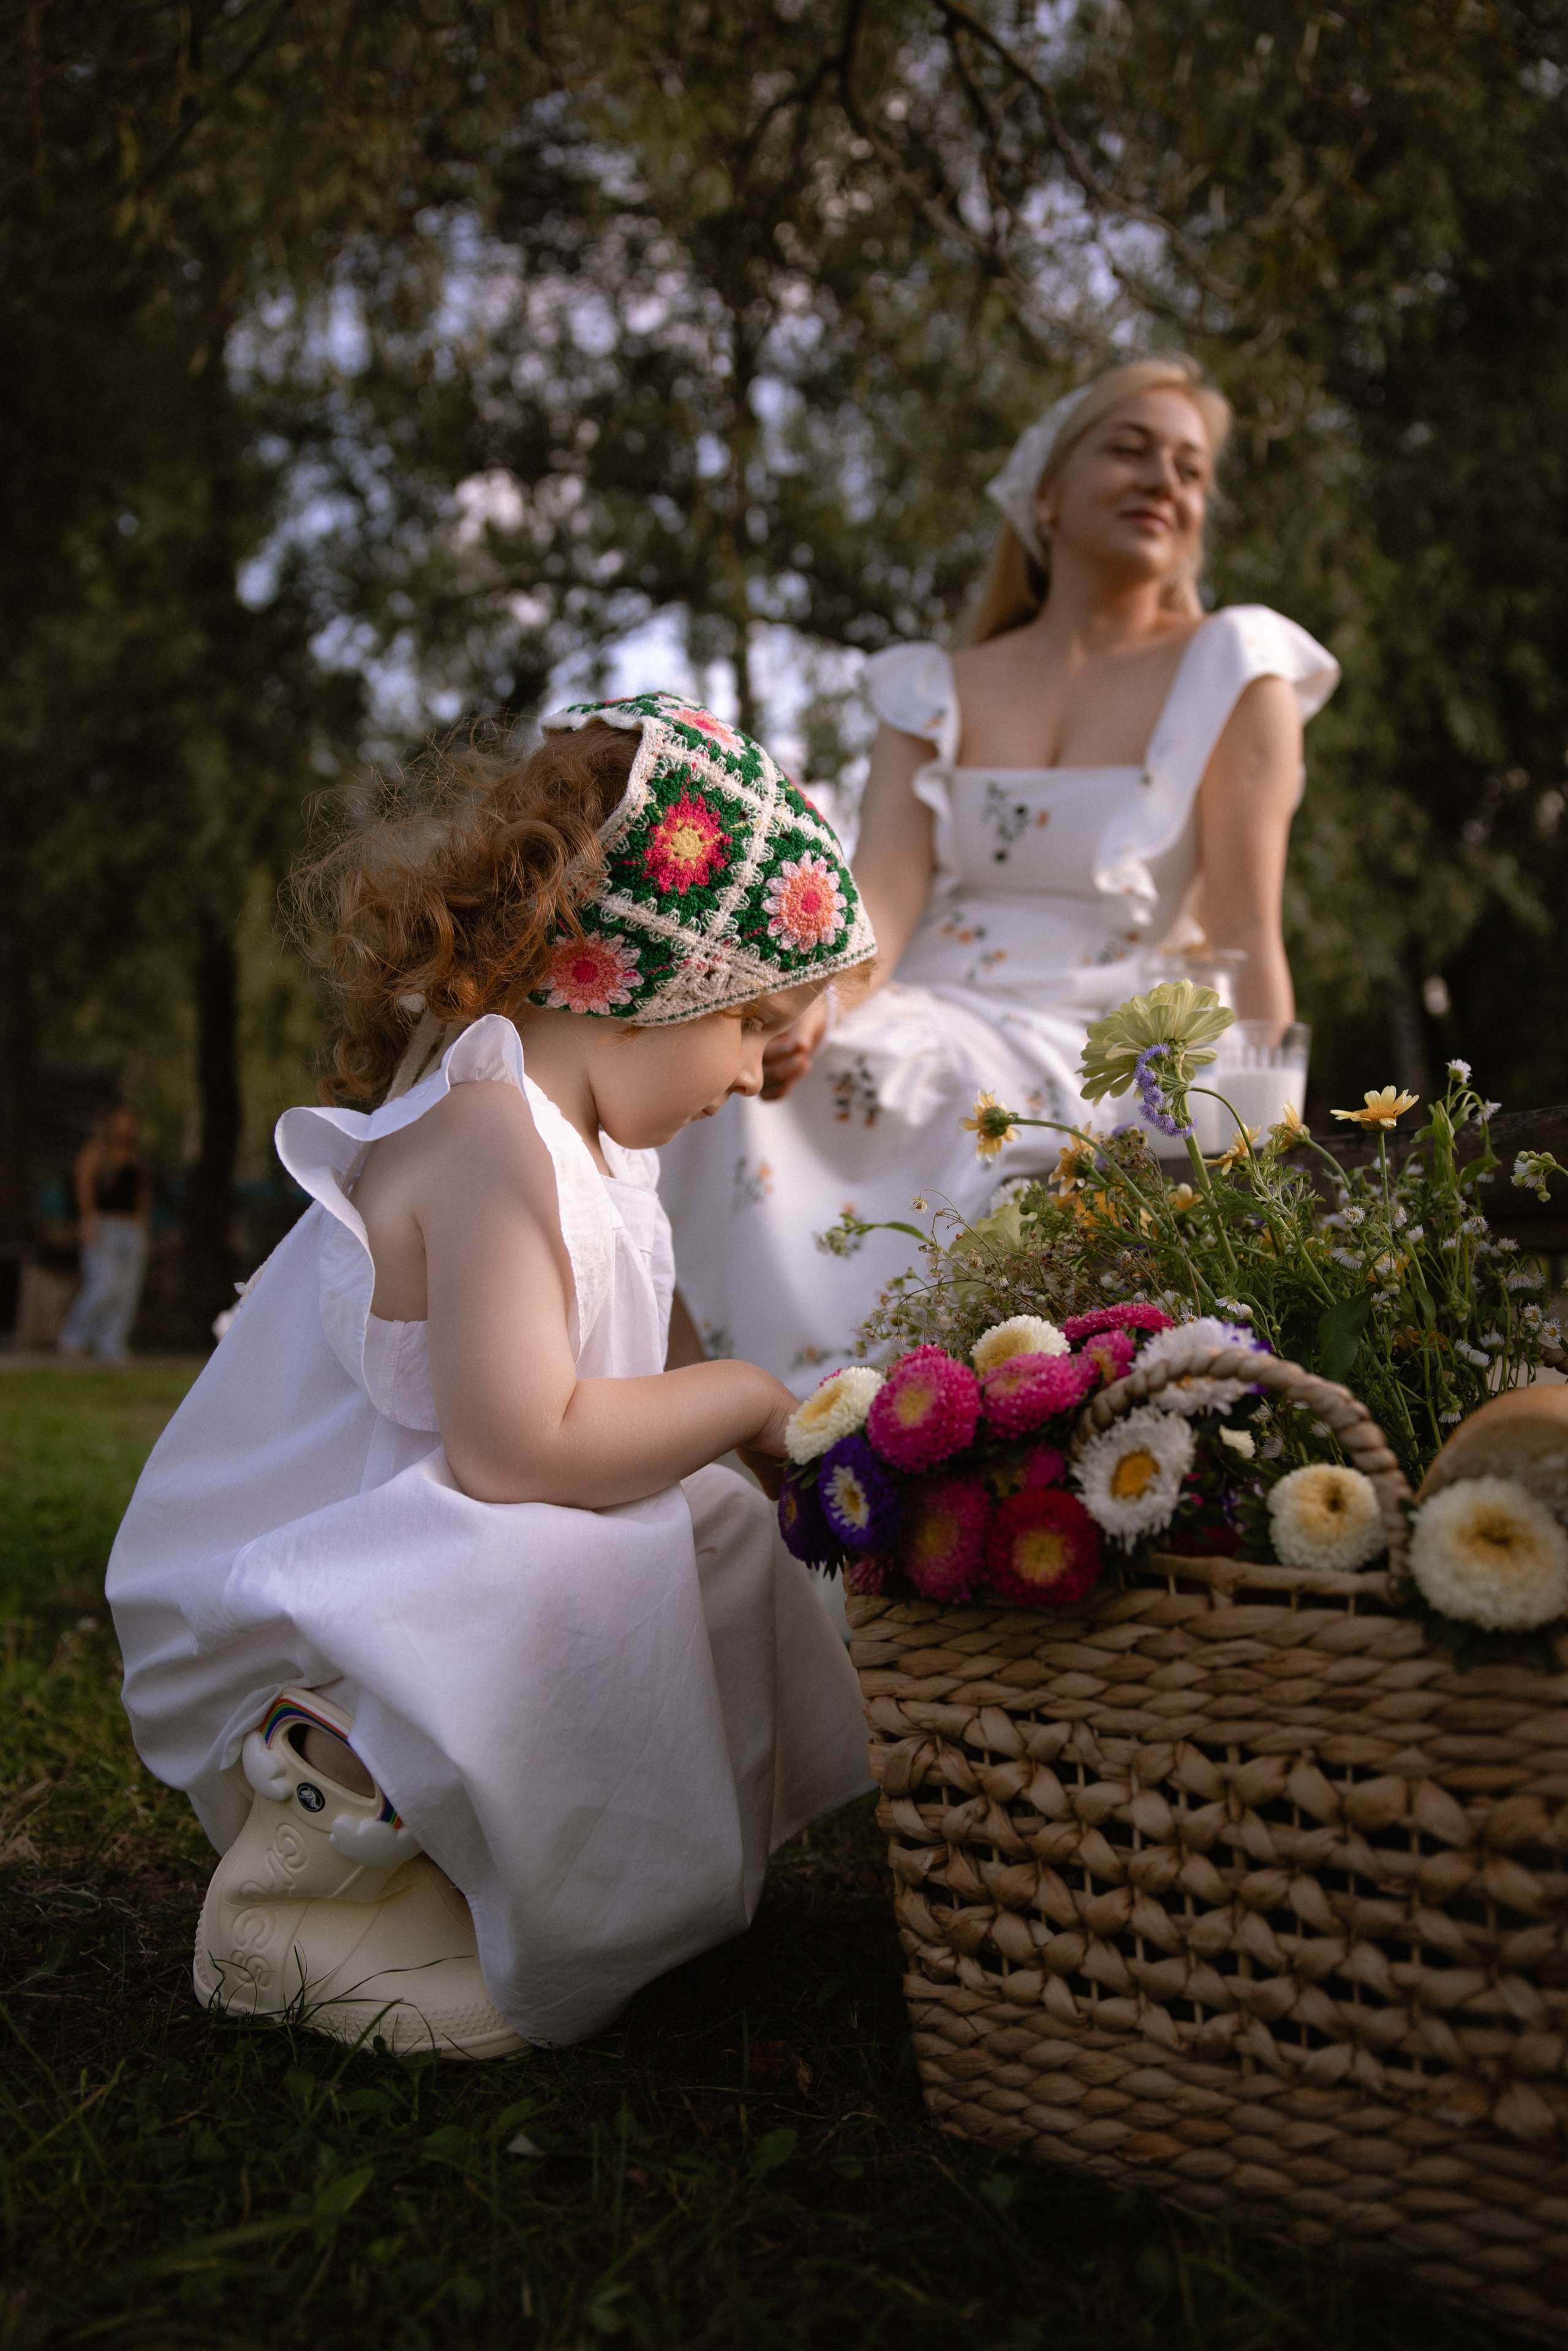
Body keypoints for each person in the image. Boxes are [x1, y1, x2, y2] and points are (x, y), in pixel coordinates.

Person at [105, 692, 877, 2058]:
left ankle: (530, 1878)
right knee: (581, 1559)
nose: (761, 1078)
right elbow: (520, 1448)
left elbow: (649, 1371)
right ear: (650, 977)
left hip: (424, 1559)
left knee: (707, 1535)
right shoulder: (489, 1135)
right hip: (327, 1593)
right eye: (755, 1026)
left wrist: (758, 1443)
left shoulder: (592, 1156)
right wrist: (752, 1401)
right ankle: (309, 1874)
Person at [658, 355, 1340, 1391]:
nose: (1166, 479)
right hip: (935, 994)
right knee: (739, 1067)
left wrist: (1269, 1144)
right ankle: (738, 1437)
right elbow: (879, 895)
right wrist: (804, 1005)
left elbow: (1250, 922)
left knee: (952, 1100)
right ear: (1046, 494)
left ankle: (888, 1431)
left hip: (1120, 1028)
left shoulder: (1236, 664)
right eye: (1130, 448)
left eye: (1191, 469)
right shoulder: (931, 687)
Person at [59, 1103, 152, 1364]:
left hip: (131, 1228)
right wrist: (88, 1220)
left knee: (127, 1291)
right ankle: (73, 1337)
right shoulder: (97, 1151)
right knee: (103, 1284)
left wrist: (142, 1224)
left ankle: (111, 1345)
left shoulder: (138, 1156)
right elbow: (83, 1185)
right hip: (104, 1225)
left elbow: (143, 1192)